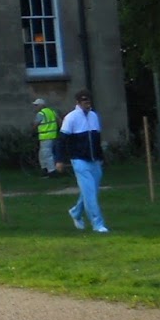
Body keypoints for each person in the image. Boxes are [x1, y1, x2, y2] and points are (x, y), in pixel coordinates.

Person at [56, 89, 110, 233]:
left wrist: (101, 157)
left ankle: (76, 212)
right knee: (90, 193)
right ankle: (98, 224)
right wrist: (59, 160)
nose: (87, 104)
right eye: (84, 101)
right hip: (79, 160)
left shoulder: (93, 116)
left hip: (94, 160)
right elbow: (62, 140)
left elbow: (96, 139)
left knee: (91, 191)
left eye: (89, 101)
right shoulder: (71, 118)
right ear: (78, 102)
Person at [33, 97, 61, 175]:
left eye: (36, 105)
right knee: (44, 153)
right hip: (54, 136)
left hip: (45, 137)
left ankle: (51, 171)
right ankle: (45, 169)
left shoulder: (41, 114)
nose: (35, 107)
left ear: (41, 105)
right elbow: (59, 121)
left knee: (47, 154)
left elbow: (36, 124)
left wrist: (33, 130)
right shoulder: (52, 112)